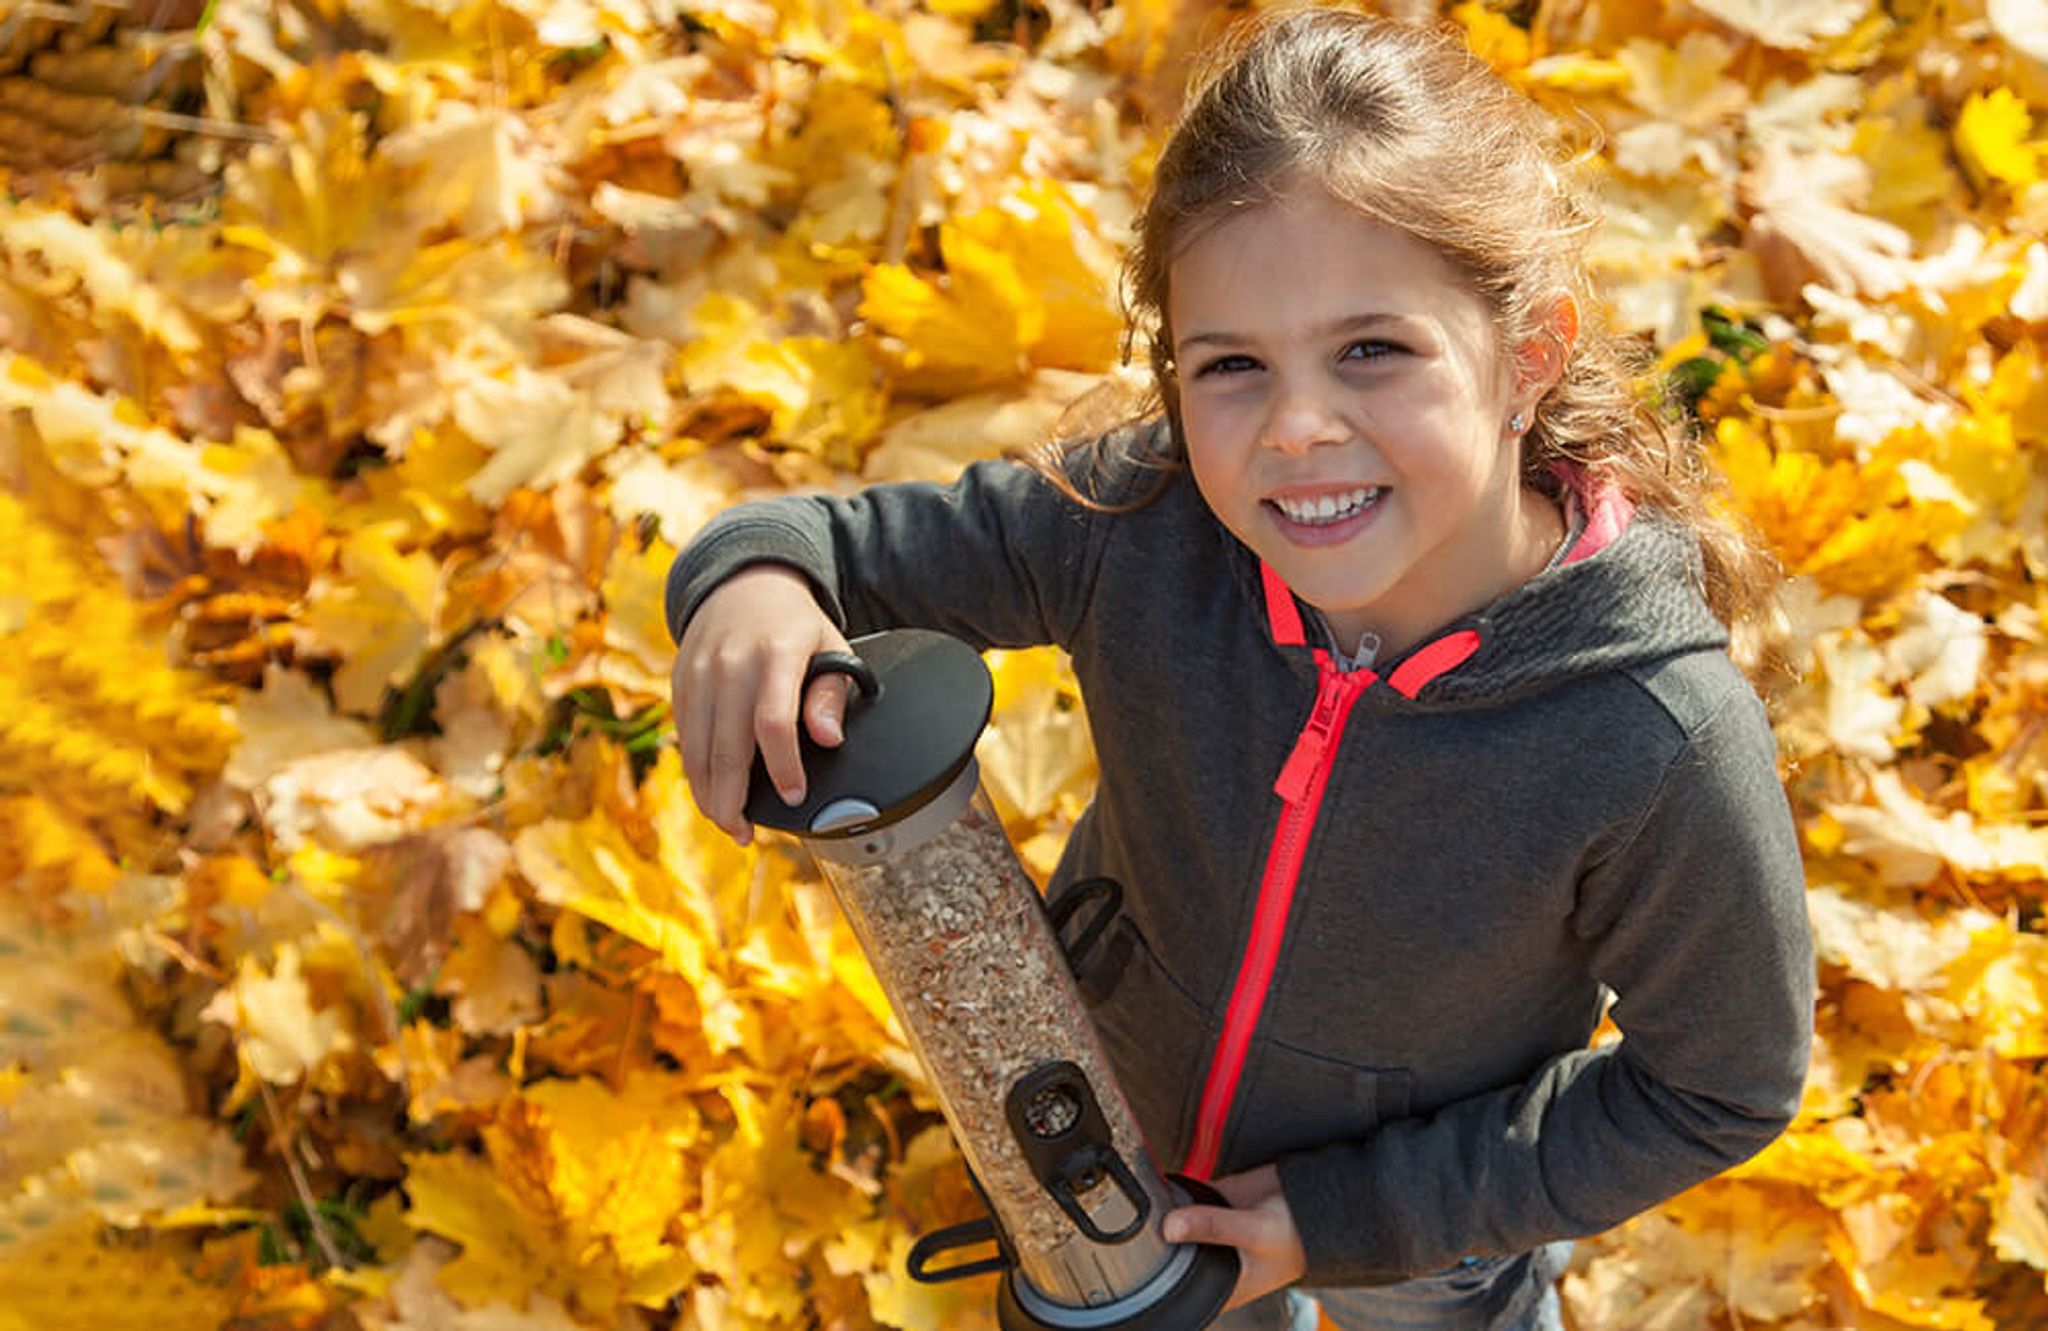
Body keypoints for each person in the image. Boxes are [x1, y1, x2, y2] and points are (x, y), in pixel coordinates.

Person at [665, 9, 1815, 1330]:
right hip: (1118, 1155)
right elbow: (833, 550)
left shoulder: (1649, 732)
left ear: (1528, 356)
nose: (1299, 428)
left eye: (1372, 350)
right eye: (1231, 367)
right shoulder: (1140, 526)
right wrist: (754, 581)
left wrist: (1356, 1216)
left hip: (1419, 1235)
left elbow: (1720, 1084)